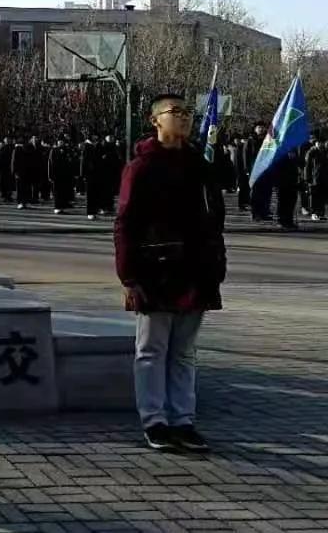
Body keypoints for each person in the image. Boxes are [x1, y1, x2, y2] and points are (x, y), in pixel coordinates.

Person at [114, 92, 225, 453]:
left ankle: (183, 420)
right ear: (155, 120)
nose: (183, 119)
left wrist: (216, 264)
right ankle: (155, 421)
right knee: (151, 350)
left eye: (187, 113)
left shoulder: (199, 163)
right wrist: (129, 277)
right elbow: (125, 223)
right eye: (174, 112)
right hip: (155, 271)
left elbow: (214, 220)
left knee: (184, 352)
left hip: (196, 270)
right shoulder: (141, 167)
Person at [247, 124, 273, 221]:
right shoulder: (251, 141)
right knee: (256, 193)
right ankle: (255, 213)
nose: (261, 129)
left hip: (266, 170)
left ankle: (264, 212)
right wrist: (247, 170)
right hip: (255, 170)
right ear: (255, 129)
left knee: (266, 193)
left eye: (262, 127)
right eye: (259, 127)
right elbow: (247, 156)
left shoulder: (268, 140)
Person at [273, 148, 301, 231]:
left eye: (293, 153)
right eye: (291, 153)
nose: (292, 155)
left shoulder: (294, 161)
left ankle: (289, 221)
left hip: (292, 185)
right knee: (282, 203)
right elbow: (277, 172)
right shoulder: (281, 160)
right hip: (282, 185)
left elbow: (297, 171)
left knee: (291, 204)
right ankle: (281, 221)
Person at [49, 137, 76, 214]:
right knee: (57, 192)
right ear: (57, 142)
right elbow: (50, 164)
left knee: (63, 191)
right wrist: (50, 175)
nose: (61, 143)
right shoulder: (53, 150)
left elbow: (70, 162)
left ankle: (62, 206)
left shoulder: (67, 150)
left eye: (62, 141)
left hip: (65, 175)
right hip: (57, 175)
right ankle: (57, 207)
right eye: (60, 141)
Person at [81, 134, 103, 220]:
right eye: (94, 136)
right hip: (89, 174)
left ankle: (94, 211)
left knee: (95, 193)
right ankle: (90, 212)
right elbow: (84, 162)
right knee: (90, 194)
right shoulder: (87, 146)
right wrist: (83, 174)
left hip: (96, 173)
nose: (96, 138)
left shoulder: (96, 145)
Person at [306, 135, 327, 222]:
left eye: (322, 143)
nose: (320, 144)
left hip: (324, 178)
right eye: (318, 143)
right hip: (314, 178)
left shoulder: (325, 151)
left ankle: (321, 213)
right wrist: (307, 178)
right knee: (313, 196)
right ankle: (314, 213)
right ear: (315, 143)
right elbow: (307, 167)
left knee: (322, 196)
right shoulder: (311, 152)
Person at [12, 136, 35, 209]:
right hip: (20, 172)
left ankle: (24, 202)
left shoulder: (29, 148)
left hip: (27, 171)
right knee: (20, 188)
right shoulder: (17, 149)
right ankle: (20, 202)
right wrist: (14, 172)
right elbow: (14, 161)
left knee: (26, 187)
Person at [0, 138, 15, 203]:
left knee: (5, 183)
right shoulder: (9, 148)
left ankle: (6, 196)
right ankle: (7, 196)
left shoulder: (6, 148)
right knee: (6, 183)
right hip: (5, 168)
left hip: (5, 168)